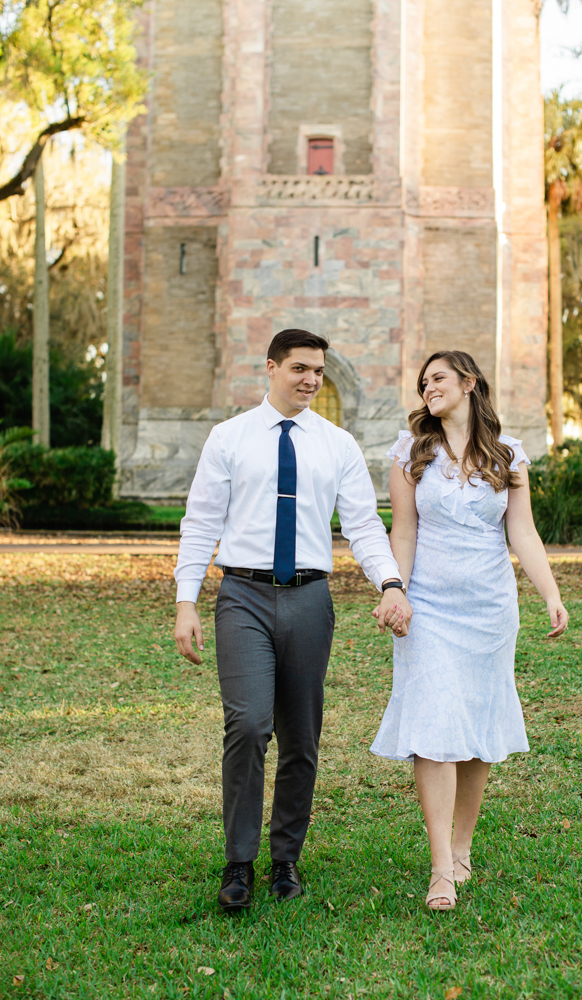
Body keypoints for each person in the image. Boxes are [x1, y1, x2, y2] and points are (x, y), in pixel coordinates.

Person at [173, 328, 412, 913]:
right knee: (249, 725)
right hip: (243, 597)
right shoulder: (228, 438)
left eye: (319, 372)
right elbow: (200, 522)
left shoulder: (338, 445)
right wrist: (186, 601)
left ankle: (285, 860)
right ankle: (238, 863)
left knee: (301, 736)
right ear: (272, 367)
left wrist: (390, 581)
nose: (311, 379)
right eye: (300, 368)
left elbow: (362, 525)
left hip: (310, 599)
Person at [370, 350, 568, 911]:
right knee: (435, 725)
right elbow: (403, 532)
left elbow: (523, 535)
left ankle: (462, 849)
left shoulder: (509, 456)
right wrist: (396, 589)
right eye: (422, 382)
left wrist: (550, 595)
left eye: (438, 379)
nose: (427, 388)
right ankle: (439, 870)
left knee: (476, 727)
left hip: (489, 608)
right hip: (428, 607)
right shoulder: (410, 452)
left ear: (469, 383)